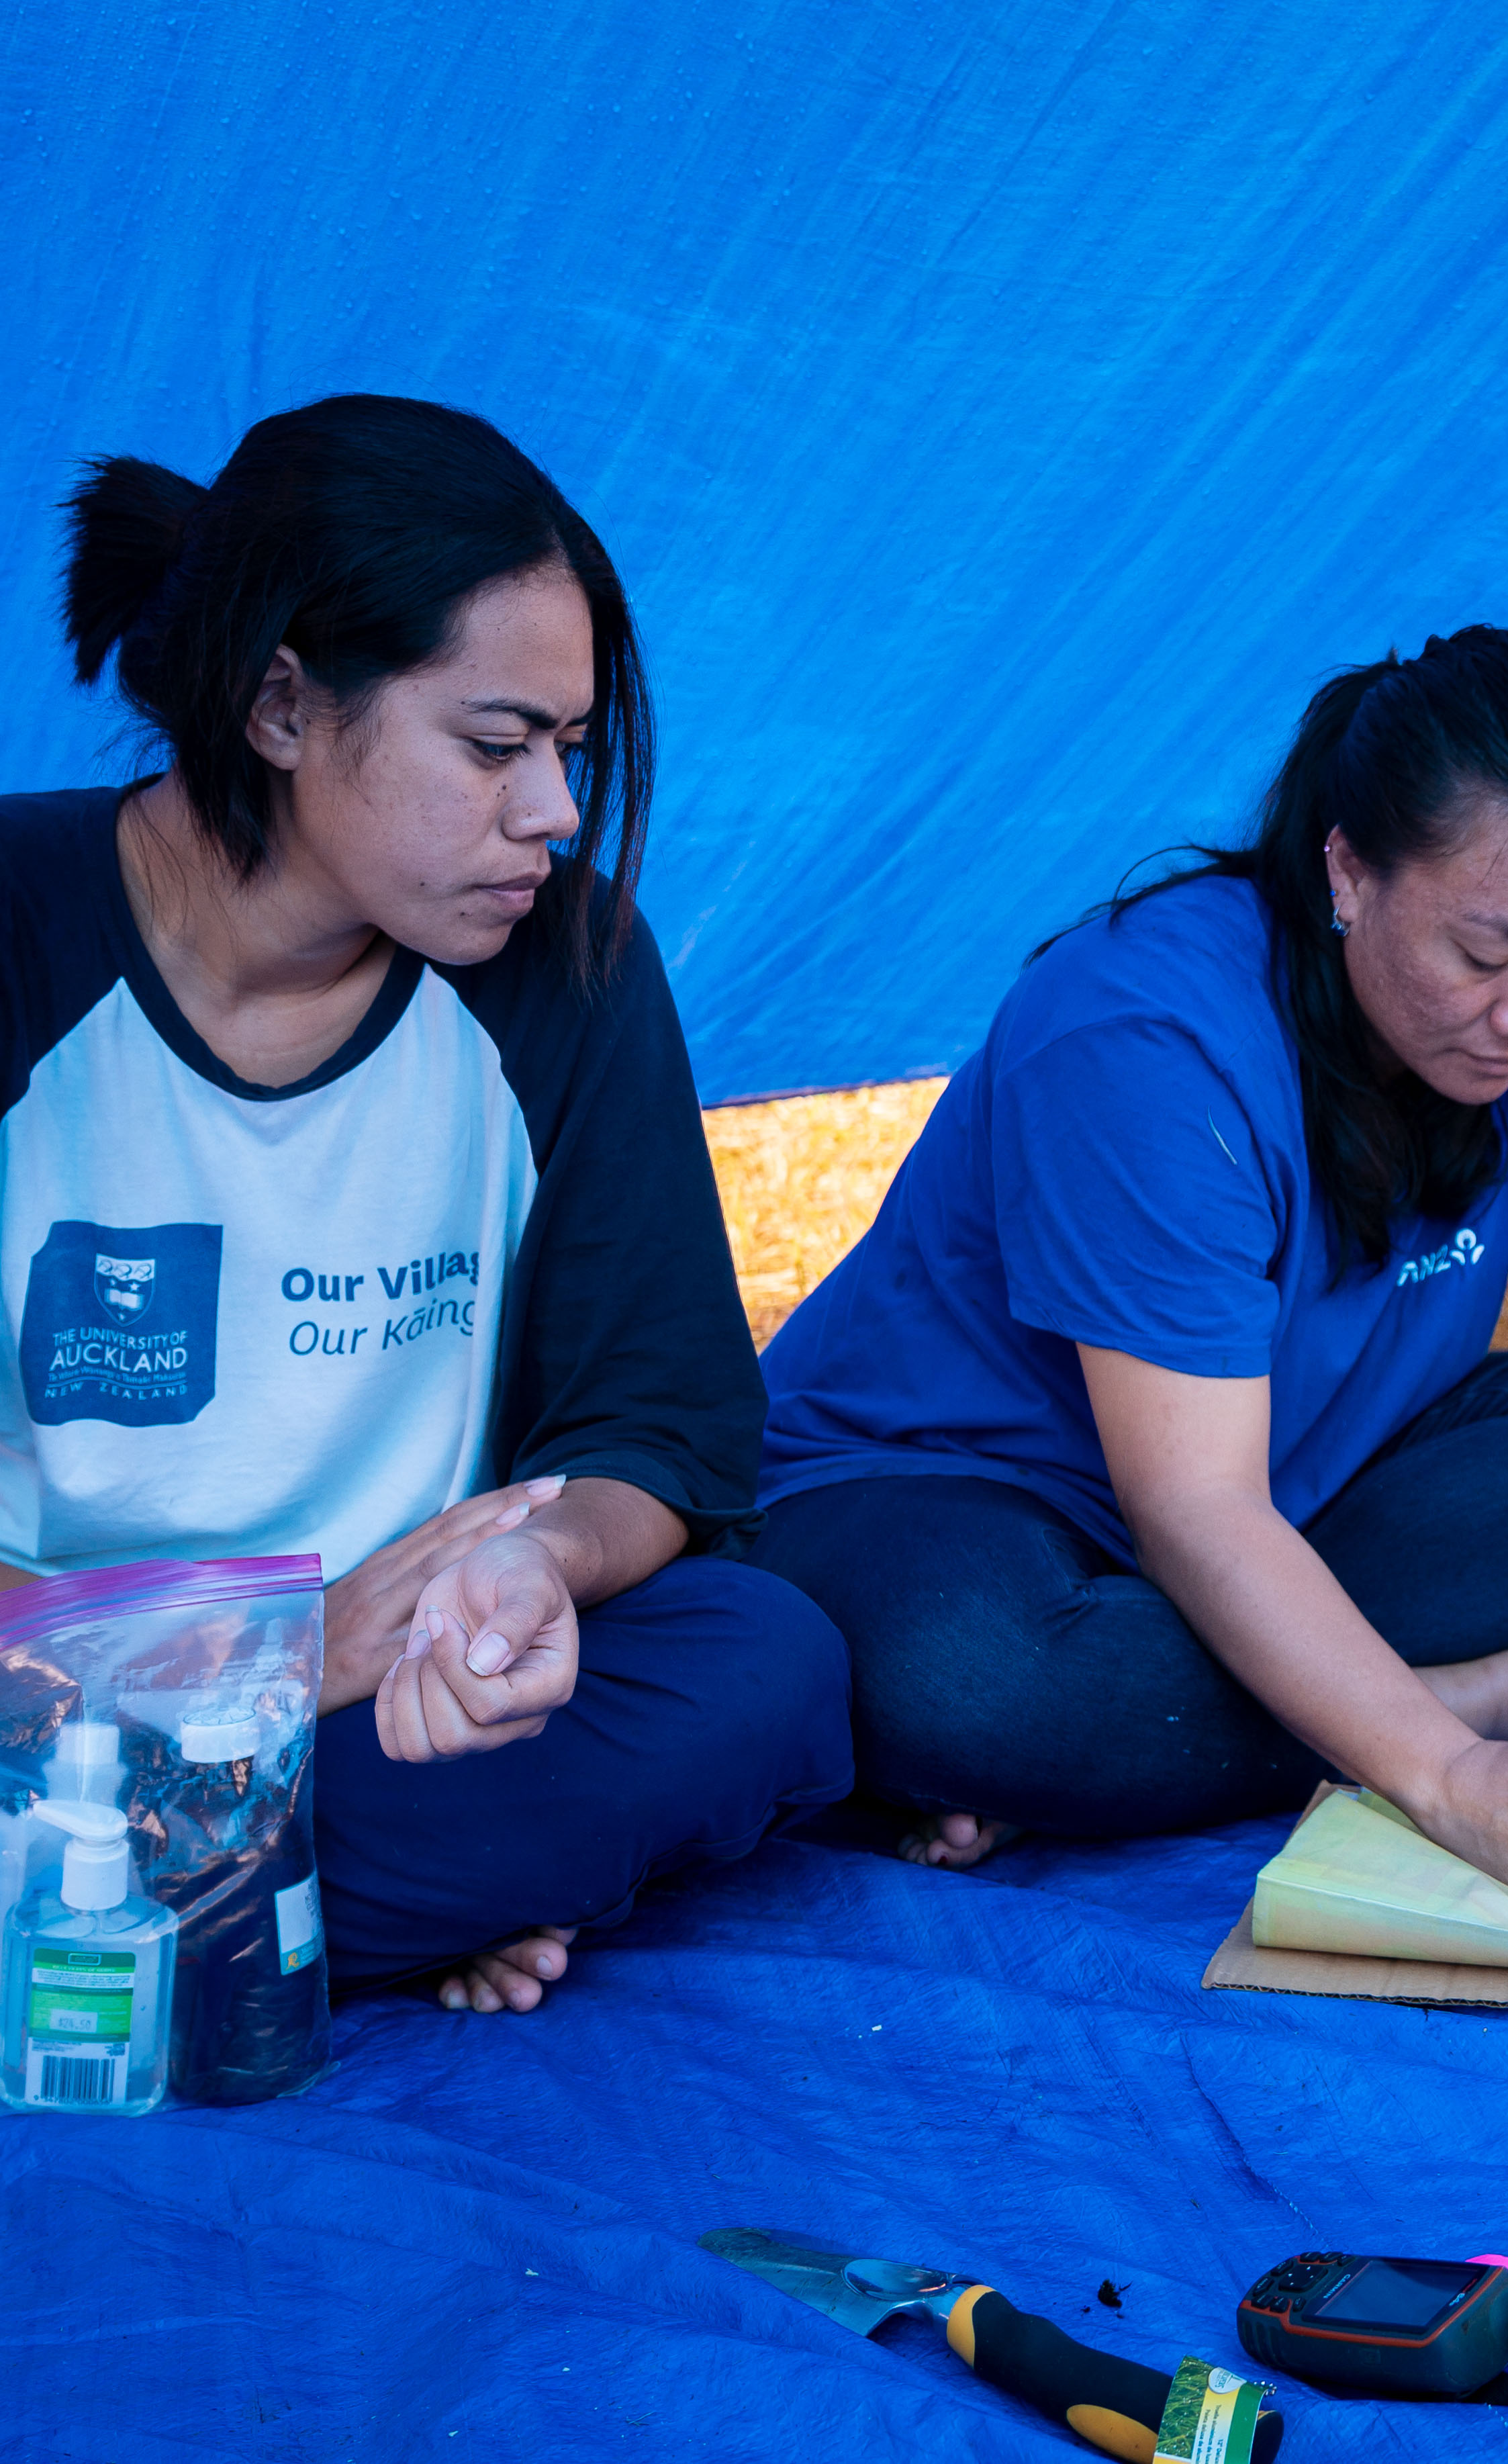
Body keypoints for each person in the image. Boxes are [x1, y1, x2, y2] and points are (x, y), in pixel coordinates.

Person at [749, 627, 1508, 1909]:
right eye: (1483, 954)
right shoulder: (1142, 1035)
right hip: (952, 1496)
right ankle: (1498, 1687)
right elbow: (1192, 1504)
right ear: (1348, 871)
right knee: (975, 1679)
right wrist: (1457, 1773)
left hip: (1285, 1494)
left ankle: (1140, 1743)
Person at [3, 395, 852, 2013]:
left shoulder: (570, 972)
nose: (554, 811)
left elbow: (658, 1434)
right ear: (279, 707)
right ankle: (291, 1915)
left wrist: (540, 1570)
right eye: (494, 746)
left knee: (765, 1660)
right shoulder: (16, 934)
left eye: (570, 751)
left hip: (387, 1715)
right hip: (46, 1702)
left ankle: (133, 1924)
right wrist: (269, 1651)